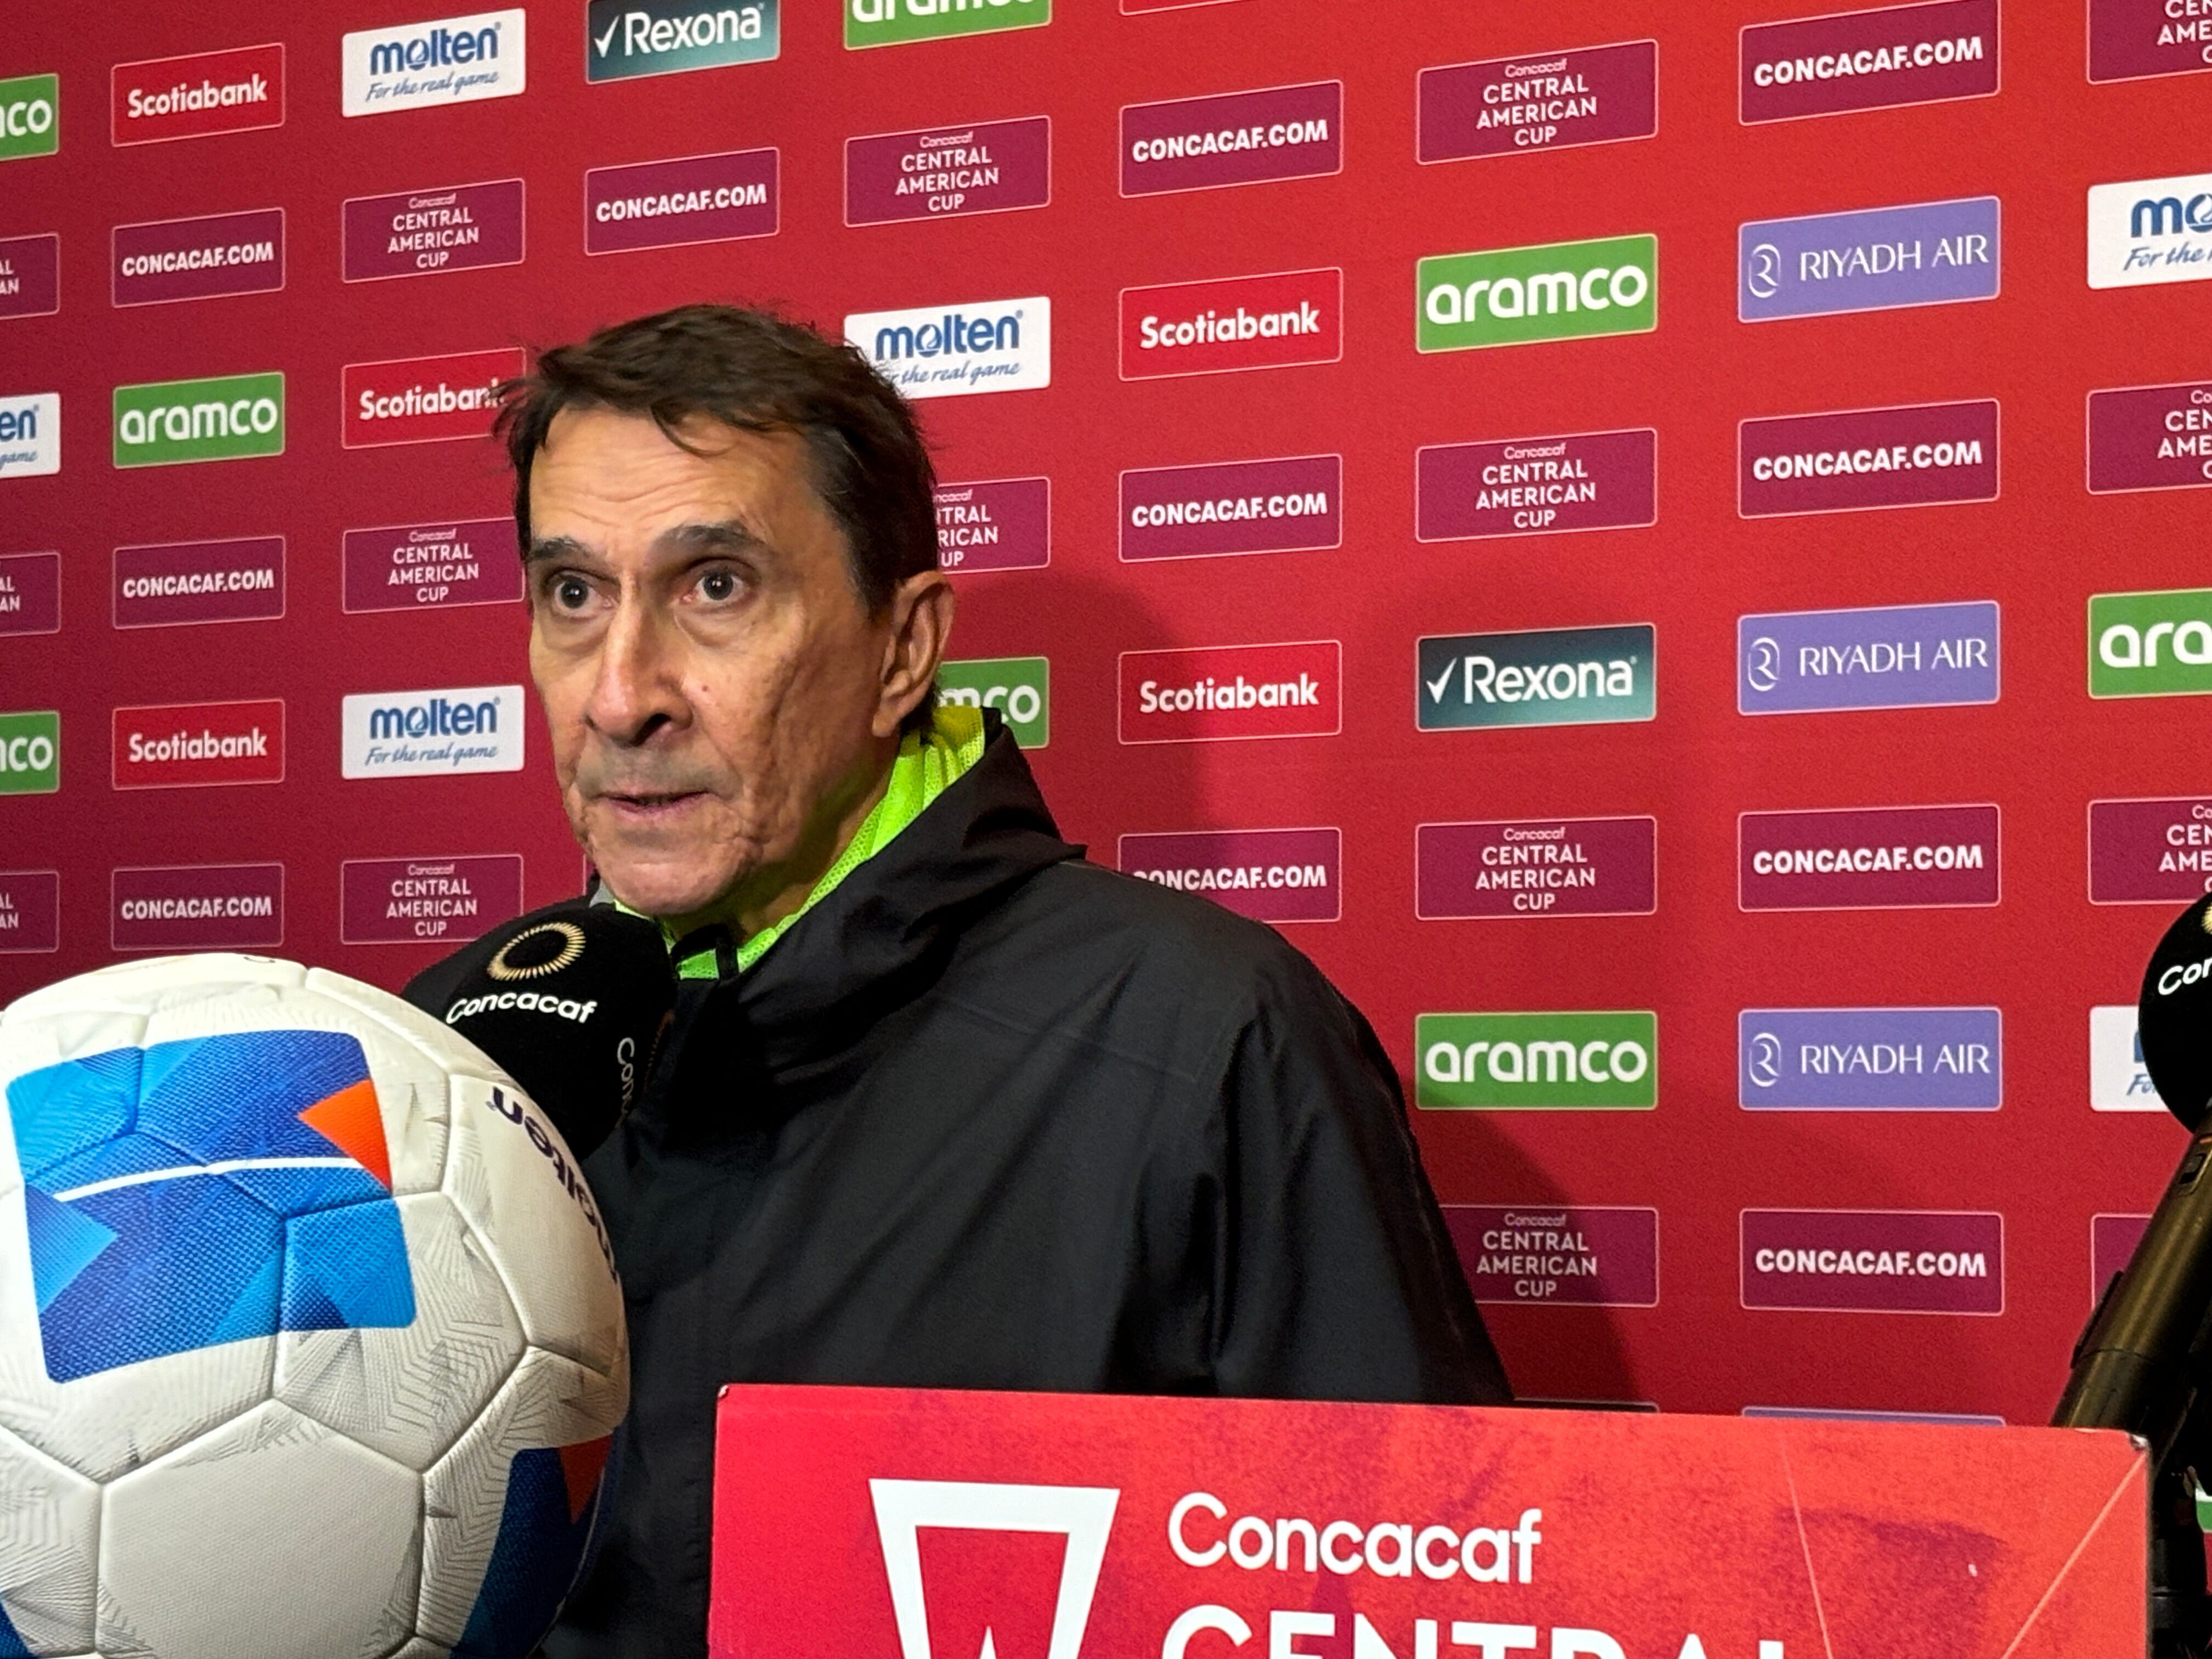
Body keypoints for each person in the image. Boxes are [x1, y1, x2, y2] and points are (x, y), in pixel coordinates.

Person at [454, 303, 1509, 1659]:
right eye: (572, 594)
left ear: (903, 651)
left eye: (716, 587)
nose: (620, 694)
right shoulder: (452, 1054)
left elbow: (1414, 1599)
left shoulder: (1205, 1045)